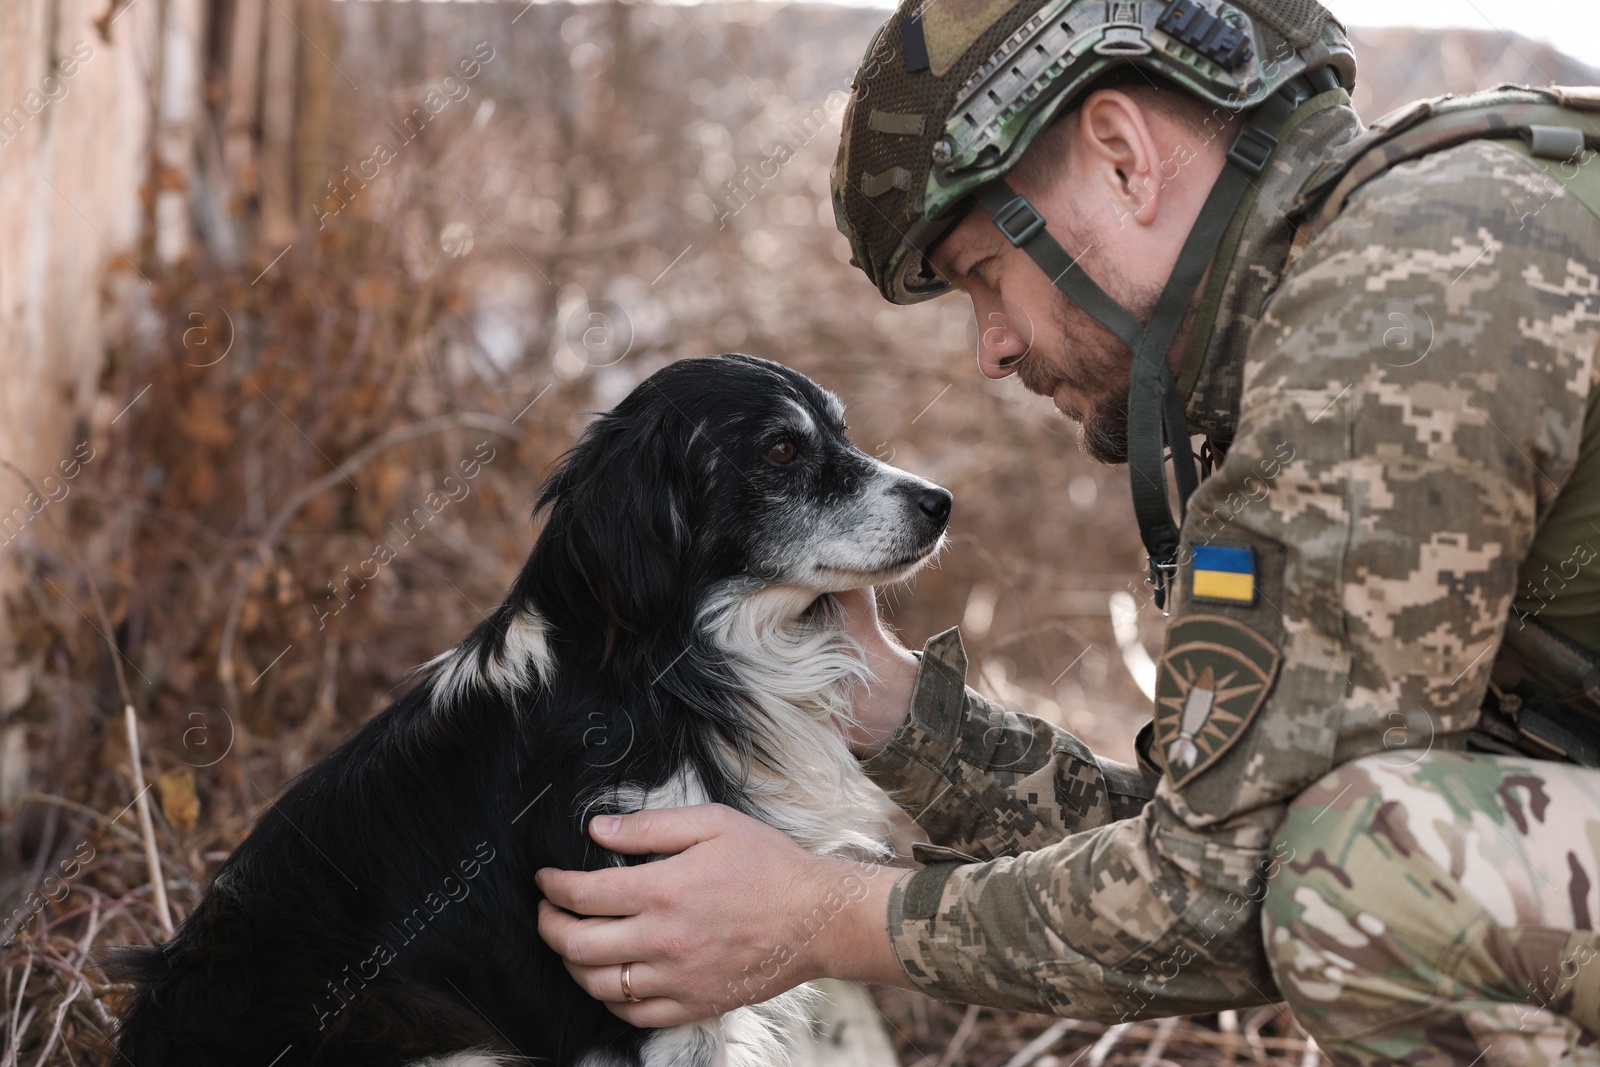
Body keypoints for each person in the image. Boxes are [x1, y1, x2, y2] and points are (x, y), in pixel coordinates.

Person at [537, 1, 1600, 1062]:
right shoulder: (1385, 269)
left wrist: (819, 917)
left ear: (1123, 159)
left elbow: (1218, 897)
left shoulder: (1400, 302)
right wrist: (902, 716)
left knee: (1367, 871)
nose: (990, 348)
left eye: (983, 276)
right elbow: (1227, 838)